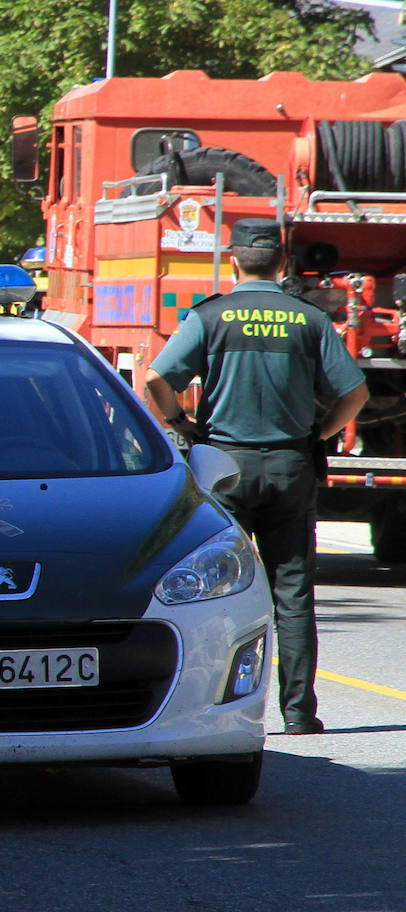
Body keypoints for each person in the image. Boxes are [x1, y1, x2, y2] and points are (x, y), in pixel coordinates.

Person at [145, 218, 369, 736]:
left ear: (233, 260)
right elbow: (353, 393)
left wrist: (181, 424)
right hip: (290, 466)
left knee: (218, 588)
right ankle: (298, 713)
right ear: (283, 264)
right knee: (292, 592)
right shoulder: (308, 320)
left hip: (225, 467)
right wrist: (319, 434)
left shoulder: (210, 317)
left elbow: (156, 377)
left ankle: (212, 708)